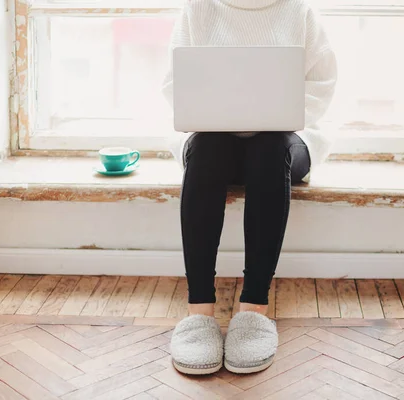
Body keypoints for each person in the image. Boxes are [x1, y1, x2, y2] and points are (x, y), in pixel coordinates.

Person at [162, 0, 337, 375]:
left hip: (285, 140)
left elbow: (322, 83)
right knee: (207, 148)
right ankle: (199, 312)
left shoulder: (299, 10)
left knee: (269, 148)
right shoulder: (199, 8)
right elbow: (174, 84)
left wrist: (274, 114)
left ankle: (254, 309)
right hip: (215, 137)